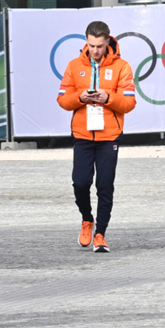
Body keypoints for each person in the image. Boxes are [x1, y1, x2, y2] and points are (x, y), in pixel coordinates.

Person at [56, 21, 137, 253]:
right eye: (91, 45)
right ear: (86, 42)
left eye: (99, 46)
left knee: (105, 185)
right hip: (82, 134)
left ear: (107, 42)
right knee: (80, 183)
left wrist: (107, 98)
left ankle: (100, 234)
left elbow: (130, 102)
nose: (95, 50)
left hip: (109, 136)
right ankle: (87, 219)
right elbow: (62, 100)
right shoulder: (74, 66)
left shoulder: (122, 66)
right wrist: (80, 97)